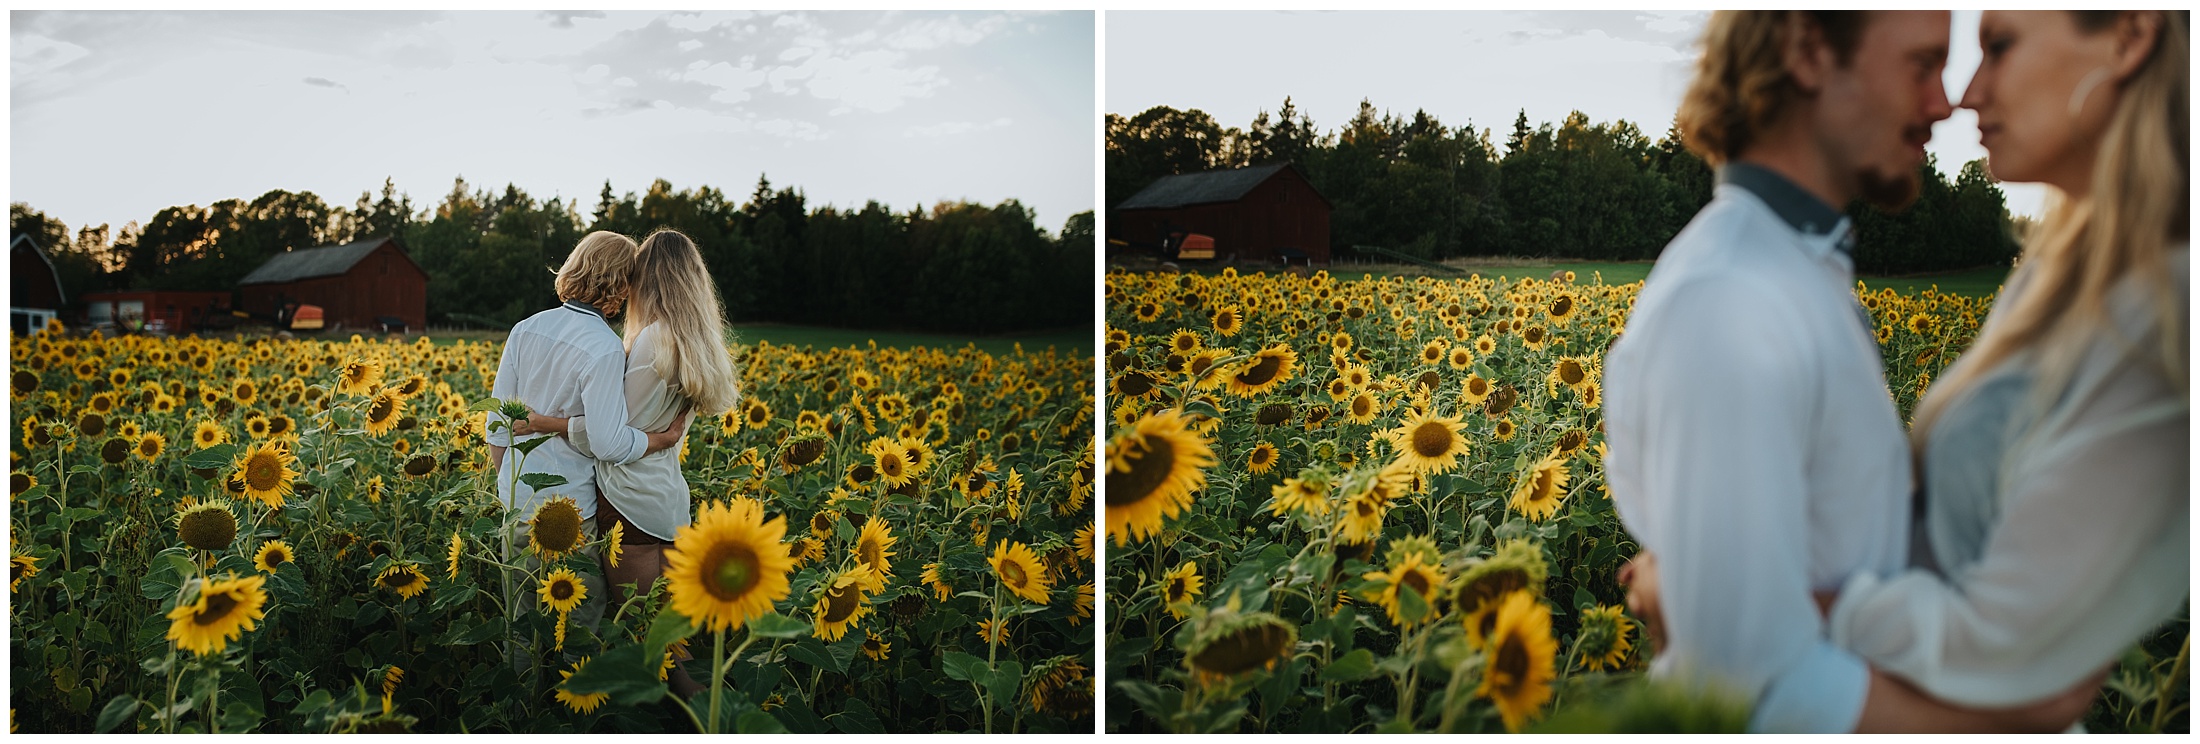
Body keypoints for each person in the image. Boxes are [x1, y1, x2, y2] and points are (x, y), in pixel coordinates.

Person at [1601, 10, 2103, 733]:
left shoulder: (1796, 270)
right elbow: (1745, 685)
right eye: (1921, 64)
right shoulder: (1731, 300)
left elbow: (1832, 559)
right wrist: (2010, 721)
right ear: (1808, 52)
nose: (1944, 101)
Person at [1820, 8, 2188, 725]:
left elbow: (2003, 651)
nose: (1966, 93)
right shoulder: (2062, 271)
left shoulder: (2171, 314)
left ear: (2131, 37)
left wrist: (1768, 600)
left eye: (2001, 46)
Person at [513, 228, 740, 698]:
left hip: (626, 502)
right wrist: (661, 438)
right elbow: (664, 437)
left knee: (643, 637)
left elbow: (609, 438)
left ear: (649, 280)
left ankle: (698, 715)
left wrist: (545, 422)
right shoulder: (701, 342)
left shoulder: (652, 342)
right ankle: (709, 707)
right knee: (672, 634)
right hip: (670, 499)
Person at [485, 231, 686, 652]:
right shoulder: (605, 348)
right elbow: (608, 442)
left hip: (515, 504)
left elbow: (497, 421)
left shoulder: (526, 328)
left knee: (520, 627)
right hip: (570, 513)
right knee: (578, 625)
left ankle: (524, 710)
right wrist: (657, 439)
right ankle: (573, 711)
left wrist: (507, 486)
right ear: (620, 286)